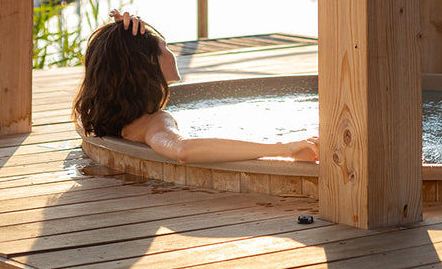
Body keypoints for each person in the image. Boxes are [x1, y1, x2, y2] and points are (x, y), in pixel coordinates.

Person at [73, 9, 319, 165]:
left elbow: (113, 60)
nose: (172, 53)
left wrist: (122, 39)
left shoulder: (122, 117)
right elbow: (183, 150)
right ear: (149, 63)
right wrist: (284, 148)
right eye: (164, 47)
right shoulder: (154, 122)